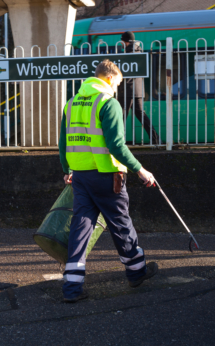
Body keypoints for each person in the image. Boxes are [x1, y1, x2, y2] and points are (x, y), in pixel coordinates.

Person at [58, 59, 159, 303]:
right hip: (106, 178)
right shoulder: (107, 102)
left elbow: (63, 144)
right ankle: (136, 272)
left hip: (80, 177)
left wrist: (67, 169)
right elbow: (116, 145)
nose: (117, 89)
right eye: (119, 84)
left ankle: (72, 288)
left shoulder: (71, 104)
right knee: (120, 223)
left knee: (80, 228)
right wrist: (140, 169)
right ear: (110, 78)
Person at [118, 31, 160, 145]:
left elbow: (125, 73)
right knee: (141, 114)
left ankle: (116, 142)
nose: (121, 43)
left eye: (122, 41)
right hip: (138, 90)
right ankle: (155, 139)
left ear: (125, 41)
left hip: (127, 90)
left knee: (120, 117)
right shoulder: (139, 51)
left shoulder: (128, 52)